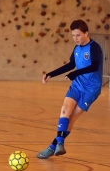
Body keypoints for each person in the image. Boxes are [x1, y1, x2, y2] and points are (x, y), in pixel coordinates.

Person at [36, 19, 103, 159]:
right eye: (73, 35)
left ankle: (52, 146)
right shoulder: (76, 48)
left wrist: (75, 73)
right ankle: (59, 144)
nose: (75, 38)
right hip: (78, 84)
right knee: (65, 111)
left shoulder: (94, 47)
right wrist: (50, 74)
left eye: (78, 35)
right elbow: (70, 65)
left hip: (91, 89)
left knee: (72, 118)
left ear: (86, 33)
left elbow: (94, 66)